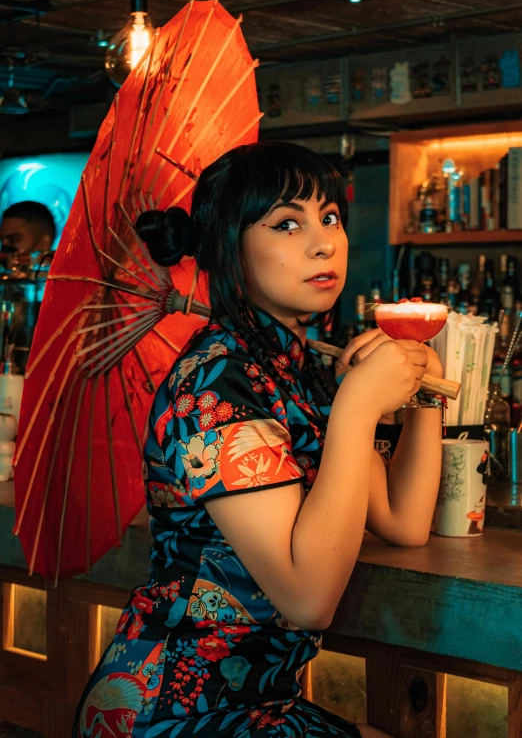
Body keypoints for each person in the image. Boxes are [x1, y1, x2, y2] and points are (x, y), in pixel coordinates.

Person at [73, 142, 443, 738]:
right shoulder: (215, 382)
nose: (323, 242)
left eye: (330, 218)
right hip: (173, 708)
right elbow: (307, 599)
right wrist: (356, 407)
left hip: (257, 703)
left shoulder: (298, 370)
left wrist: (420, 381)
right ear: (228, 248)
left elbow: (402, 519)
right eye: (287, 223)